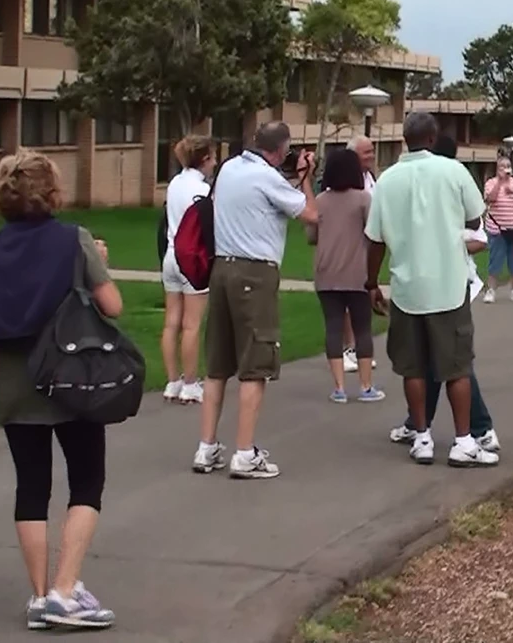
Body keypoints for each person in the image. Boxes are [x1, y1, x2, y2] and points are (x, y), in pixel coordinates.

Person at [0, 150, 122, 630]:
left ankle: (38, 596)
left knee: (31, 486)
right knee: (86, 481)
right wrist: (99, 264)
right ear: (51, 192)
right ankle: (66, 588)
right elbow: (111, 305)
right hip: (71, 376)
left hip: (16, 380)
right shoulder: (73, 240)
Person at [365, 111, 498, 468]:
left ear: (405, 138)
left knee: (414, 367)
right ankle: (463, 441)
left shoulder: (387, 179)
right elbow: (474, 218)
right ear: (433, 136)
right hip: (448, 285)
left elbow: (374, 239)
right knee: (456, 366)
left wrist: (370, 283)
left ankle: (421, 437)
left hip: (407, 287)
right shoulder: (453, 171)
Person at [193, 122, 317, 479]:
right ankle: (244, 453)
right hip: (255, 273)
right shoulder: (268, 178)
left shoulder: (230, 168)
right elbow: (310, 215)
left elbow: (268, 202)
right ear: (279, 150)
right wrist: (306, 178)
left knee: (217, 363)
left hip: (222, 269)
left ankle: (207, 447)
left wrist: (290, 179)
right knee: (255, 364)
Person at [307, 147, 383, 403]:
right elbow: (374, 235)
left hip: (326, 272)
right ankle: (365, 386)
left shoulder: (320, 201)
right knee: (362, 328)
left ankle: (339, 387)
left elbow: (311, 237)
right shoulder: (364, 199)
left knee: (333, 328)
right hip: (357, 273)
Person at [160, 135, 216, 404]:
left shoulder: (174, 183)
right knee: (192, 325)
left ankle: (173, 381)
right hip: (191, 259)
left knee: (172, 322)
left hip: (170, 255)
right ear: (205, 159)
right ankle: (191, 384)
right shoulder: (203, 192)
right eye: (213, 157)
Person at [339, 135, 378, 374]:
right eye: (367, 153)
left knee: (362, 298)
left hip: (366, 245)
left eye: (372, 152)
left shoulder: (370, 178)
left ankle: (360, 350)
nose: (372, 157)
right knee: (345, 300)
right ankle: (348, 348)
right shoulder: (345, 181)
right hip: (348, 247)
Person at [481, 154, 513, 304]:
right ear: (497, 170)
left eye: (507, 166)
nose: (505, 169)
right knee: (495, 260)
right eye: (502, 167)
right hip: (497, 230)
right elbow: (490, 198)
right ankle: (491, 290)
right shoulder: (491, 183)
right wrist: (500, 183)